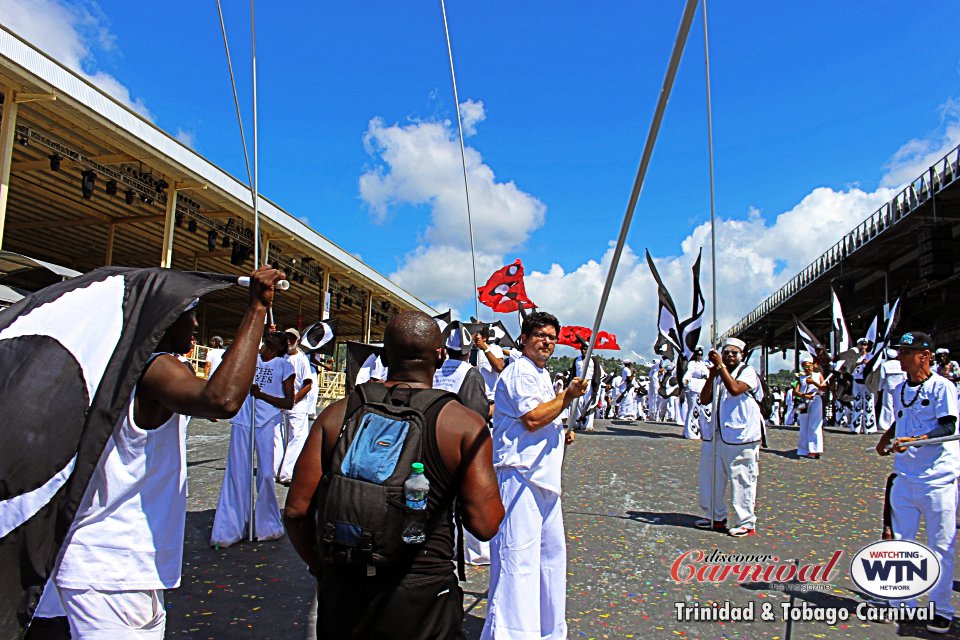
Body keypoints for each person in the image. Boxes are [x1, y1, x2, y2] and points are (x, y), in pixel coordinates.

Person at [34, 267, 286, 638]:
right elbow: (222, 399)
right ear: (161, 319)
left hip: (103, 561)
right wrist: (256, 311)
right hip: (114, 566)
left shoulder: (106, 364)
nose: (196, 326)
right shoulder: (151, 367)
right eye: (189, 313)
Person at [284, 311, 504, 639]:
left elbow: (296, 511)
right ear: (441, 356)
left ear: (384, 355)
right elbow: (485, 525)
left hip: (344, 586)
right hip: (423, 591)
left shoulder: (337, 413)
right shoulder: (462, 424)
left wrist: (321, 568)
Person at [481, 311, 585, 640]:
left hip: (544, 477)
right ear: (524, 339)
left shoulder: (541, 374)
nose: (547, 342)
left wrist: (560, 427)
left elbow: (544, 415)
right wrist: (566, 398)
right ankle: (511, 633)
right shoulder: (518, 371)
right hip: (519, 474)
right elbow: (532, 418)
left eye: (552, 337)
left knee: (550, 557)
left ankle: (546, 630)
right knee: (518, 556)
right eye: (540, 335)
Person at [876, 331, 958, 635]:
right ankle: (903, 603)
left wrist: (916, 441)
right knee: (901, 542)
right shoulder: (900, 388)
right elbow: (902, 419)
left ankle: (941, 609)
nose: (900, 356)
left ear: (925, 355)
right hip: (905, 475)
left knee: (940, 545)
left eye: (907, 352)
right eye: (900, 350)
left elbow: (948, 427)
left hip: (938, 478)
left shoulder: (943, 388)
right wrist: (887, 439)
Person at [210, 331, 295, 547]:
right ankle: (229, 529)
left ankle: (267, 526)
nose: (269, 343)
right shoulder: (252, 358)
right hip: (243, 419)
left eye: (274, 341)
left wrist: (262, 395)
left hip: (267, 421)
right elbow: (227, 357)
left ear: (281, 347)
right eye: (268, 339)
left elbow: (289, 402)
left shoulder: (285, 366)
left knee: (266, 474)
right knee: (237, 472)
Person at [698, 337, 763, 537]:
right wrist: (711, 375)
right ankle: (715, 516)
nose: (729, 356)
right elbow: (704, 398)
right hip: (716, 434)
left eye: (734, 353)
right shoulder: (718, 374)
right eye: (726, 353)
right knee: (711, 477)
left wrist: (720, 367)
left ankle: (746, 521)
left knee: (742, 478)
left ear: (742, 355)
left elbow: (735, 389)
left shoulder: (748, 372)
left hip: (740, 436)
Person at [276, 328, 315, 484]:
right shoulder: (281, 358)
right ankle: (277, 470)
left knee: (297, 439)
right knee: (279, 439)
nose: (289, 341)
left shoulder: (302, 359)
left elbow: (307, 384)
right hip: (280, 405)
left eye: (292, 338)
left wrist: (293, 401)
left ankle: (286, 473)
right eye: (287, 338)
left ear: (297, 341)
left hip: (297, 406)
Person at [795, 357, 828, 459]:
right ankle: (803, 449)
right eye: (804, 366)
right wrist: (804, 396)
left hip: (816, 400)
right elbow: (795, 392)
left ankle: (815, 449)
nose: (807, 368)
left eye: (808, 366)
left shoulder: (818, 375)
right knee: (804, 425)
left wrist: (814, 383)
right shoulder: (801, 378)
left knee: (815, 424)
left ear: (813, 365)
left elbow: (825, 388)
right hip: (804, 402)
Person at [571, 340, 603, 430]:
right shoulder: (577, 360)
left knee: (589, 403)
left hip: (589, 384)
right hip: (578, 383)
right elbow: (573, 373)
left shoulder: (593, 359)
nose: (583, 351)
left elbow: (597, 373)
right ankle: (577, 422)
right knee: (577, 403)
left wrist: (595, 386)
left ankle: (587, 424)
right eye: (582, 349)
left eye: (585, 349)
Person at [850, 338, 878, 434]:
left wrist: (868, 364)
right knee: (857, 403)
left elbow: (875, 368)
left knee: (868, 404)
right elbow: (849, 368)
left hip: (867, 382)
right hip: (857, 381)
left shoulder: (870, 356)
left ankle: (869, 427)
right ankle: (855, 427)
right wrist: (858, 363)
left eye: (865, 345)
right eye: (861, 344)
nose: (863, 347)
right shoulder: (854, 357)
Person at [681, 347, 709, 439]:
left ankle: (697, 431)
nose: (699, 356)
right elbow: (688, 373)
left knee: (701, 410)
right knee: (693, 409)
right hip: (693, 387)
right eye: (698, 355)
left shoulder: (703, 364)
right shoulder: (692, 364)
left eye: (701, 355)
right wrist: (685, 381)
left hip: (702, 387)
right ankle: (691, 432)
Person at [878, 349, 906, 431]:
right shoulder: (900, 364)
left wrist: (879, 388)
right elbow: (905, 376)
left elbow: (882, 378)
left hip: (888, 387)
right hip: (899, 387)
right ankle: (898, 422)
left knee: (887, 406)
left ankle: (886, 424)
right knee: (898, 405)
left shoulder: (885, 365)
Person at [474, 328, 506, 402]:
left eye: (477, 335)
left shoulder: (495, 348)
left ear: (484, 338)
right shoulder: (468, 351)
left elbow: (499, 368)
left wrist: (485, 349)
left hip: (490, 398)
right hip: (474, 399)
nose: (474, 337)